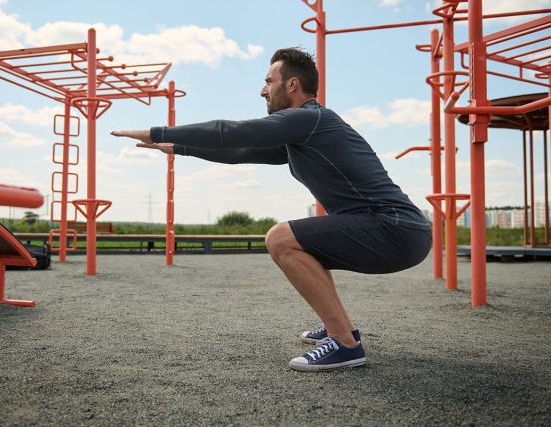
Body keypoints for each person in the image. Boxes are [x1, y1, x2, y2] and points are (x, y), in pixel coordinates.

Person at [111, 47, 432, 372]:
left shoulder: (309, 119)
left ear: (292, 85)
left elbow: (230, 131)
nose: (263, 90)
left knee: (280, 238)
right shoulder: (302, 133)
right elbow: (237, 149)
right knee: (304, 244)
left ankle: (345, 345)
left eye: (269, 81)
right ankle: (341, 329)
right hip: (393, 230)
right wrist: (180, 148)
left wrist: (158, 131)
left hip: (394, 229)